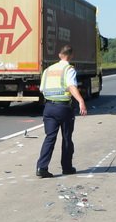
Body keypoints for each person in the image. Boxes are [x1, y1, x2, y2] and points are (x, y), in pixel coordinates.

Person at [36, 45, 87, 177]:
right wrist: (81, 101)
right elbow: (71, 86)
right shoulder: (68, 69)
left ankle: (41, 167)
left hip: (48, 107)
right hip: (63, 108)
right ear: (71, 56)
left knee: (49, 138)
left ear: (59, 55)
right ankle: (67, 167)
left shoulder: (48, 70)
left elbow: (42, 89)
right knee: (66, 138)